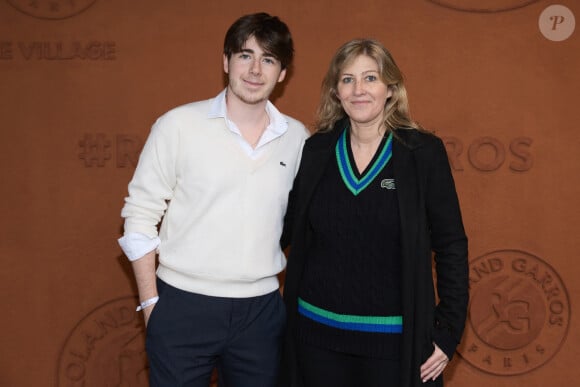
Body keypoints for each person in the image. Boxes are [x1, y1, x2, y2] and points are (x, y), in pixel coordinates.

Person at [118, 12, 309, 387]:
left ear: (282, 73)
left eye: (268, 59)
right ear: (226, 62)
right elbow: (139, 215)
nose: (255, 69)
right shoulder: (177, 125)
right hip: (182, 305)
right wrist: (151, 305)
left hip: (262, 312)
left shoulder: (299, 138)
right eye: (245, 55)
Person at [279, 39, 468, 387]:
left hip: (394, 345)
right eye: (347, 79)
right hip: (314, 339)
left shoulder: (422, 153)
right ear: (336, 91)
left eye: (370, 78)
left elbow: (451, 245)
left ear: (391, 89)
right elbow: (284, 231)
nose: (358, 90)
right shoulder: (317, 150)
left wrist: (448, 330)